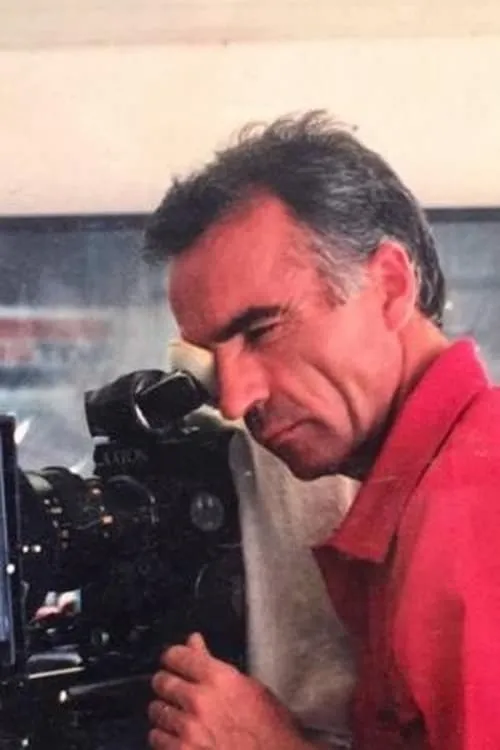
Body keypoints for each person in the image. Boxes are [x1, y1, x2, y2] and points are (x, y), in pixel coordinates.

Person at [142, 111, 500, 750]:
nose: (235, 400)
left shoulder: (471, 500)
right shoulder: (430, 490)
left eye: (262, 331)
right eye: (212, 360)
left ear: (389, 286)